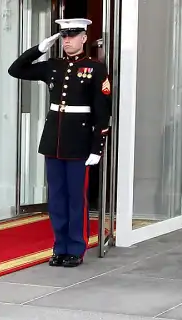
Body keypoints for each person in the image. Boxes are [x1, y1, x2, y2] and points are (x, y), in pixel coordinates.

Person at [8, 18, 112, 268]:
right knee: (56, 198)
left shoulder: (95, 69)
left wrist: (97, 148)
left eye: (72, 35)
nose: (67, 40)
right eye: (64, 36)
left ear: (84, 38)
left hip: (79, 143)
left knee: (76, 198)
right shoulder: (52, 66)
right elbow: (16, 70)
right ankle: (60, 246)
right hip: (53, 142)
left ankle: (76, 247)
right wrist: (39, 49)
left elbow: (102, 111)